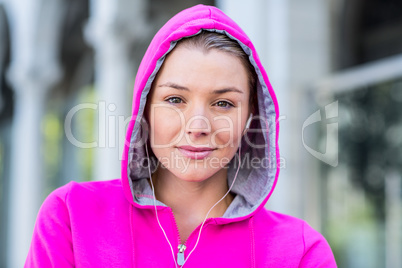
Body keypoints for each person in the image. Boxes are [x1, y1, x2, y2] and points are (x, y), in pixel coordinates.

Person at [25, 4, 337, 267]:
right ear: (145, 107)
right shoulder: (71, 216)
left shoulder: (299, 253)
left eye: (224, 103)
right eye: (175, 100)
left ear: (251, 118)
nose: (198, 125)